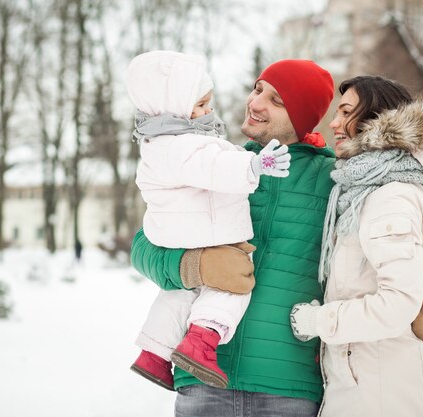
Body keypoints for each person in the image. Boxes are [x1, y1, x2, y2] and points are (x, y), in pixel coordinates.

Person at [130, 59, 336, 416]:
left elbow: (366, 254)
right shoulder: (219, 166)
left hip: (287, 386)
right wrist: (193, 266)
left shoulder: (333, 180)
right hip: (202, 380)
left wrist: (417, 296)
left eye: (277, 100)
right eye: (257, 89)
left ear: (303, 116)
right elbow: (143, 245)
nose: (255, 103)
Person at [289, 75, 423, 417]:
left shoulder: (390, 195)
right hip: (366, 382)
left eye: (346, 112)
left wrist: (318, 321)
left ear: (377, 120)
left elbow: (397, 303)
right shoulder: (367, 189)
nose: (334, 123)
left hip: (383, 392)